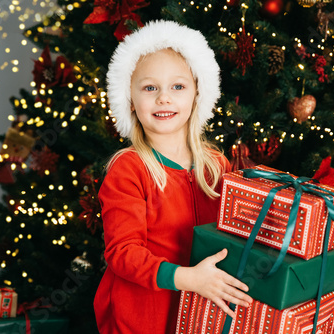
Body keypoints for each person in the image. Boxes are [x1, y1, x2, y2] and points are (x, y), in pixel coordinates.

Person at [94, 20, 253, 334]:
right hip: (141, 319)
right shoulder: (129, 169)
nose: (163, 98)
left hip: (201, 317)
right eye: (150, 87)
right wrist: (187, 278)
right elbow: (122, 253)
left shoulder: (216, 165)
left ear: (197, 94)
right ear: (130, 100)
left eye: (177, 86)